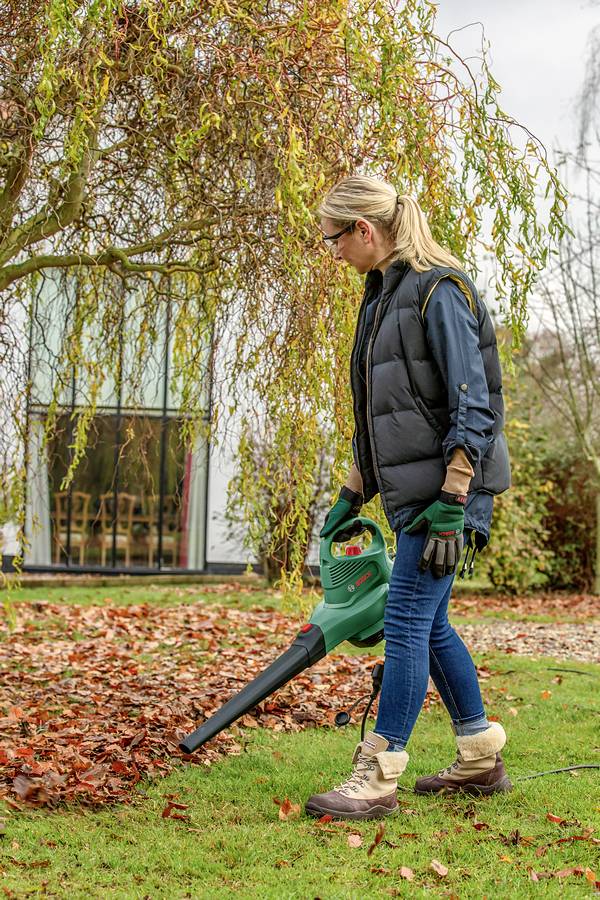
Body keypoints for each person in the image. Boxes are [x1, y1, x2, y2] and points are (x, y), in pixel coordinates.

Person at [305, 175, 512, 821]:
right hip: (418, 492)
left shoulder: (437, 290)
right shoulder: (382, 297)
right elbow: (382, 414)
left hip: (445, 496)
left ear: (364, 230)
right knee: (431, 624)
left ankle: (378, 774)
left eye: (334, 239)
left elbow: (472, 401)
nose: (334, 252)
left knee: (404, 622)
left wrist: (454, 496)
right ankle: (479, 754)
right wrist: (353, 491)